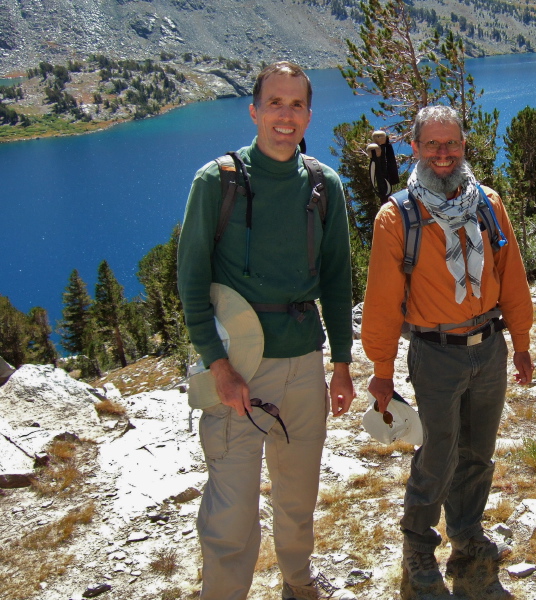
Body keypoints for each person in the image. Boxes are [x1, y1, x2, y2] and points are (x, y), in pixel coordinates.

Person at [177, 61, 357, 600]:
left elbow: (336, 278)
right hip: (238, 367)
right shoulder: (217, 182)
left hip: (304, 363)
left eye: (296, 104)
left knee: (297, 496)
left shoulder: (323, 186)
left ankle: (299, 584)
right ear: (254, 110)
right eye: (274, 103)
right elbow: (191, 282)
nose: (285, 115)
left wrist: (342, 364)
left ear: (308, 114)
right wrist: (218, 366)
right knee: (232, 509)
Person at [361, 105, 535, 599]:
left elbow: (513, 278)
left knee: (478, 452)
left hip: (490, 346)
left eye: (451, 144)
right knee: (436, 454)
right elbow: (381, 304)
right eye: (432, 144)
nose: (443, 154)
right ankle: (418, 545)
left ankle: (465, 534)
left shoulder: (487, 203)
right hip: (434, 352)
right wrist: (381, 370)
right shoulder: (397, 217)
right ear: (414, 148)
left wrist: (521, 342)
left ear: (463, 146)